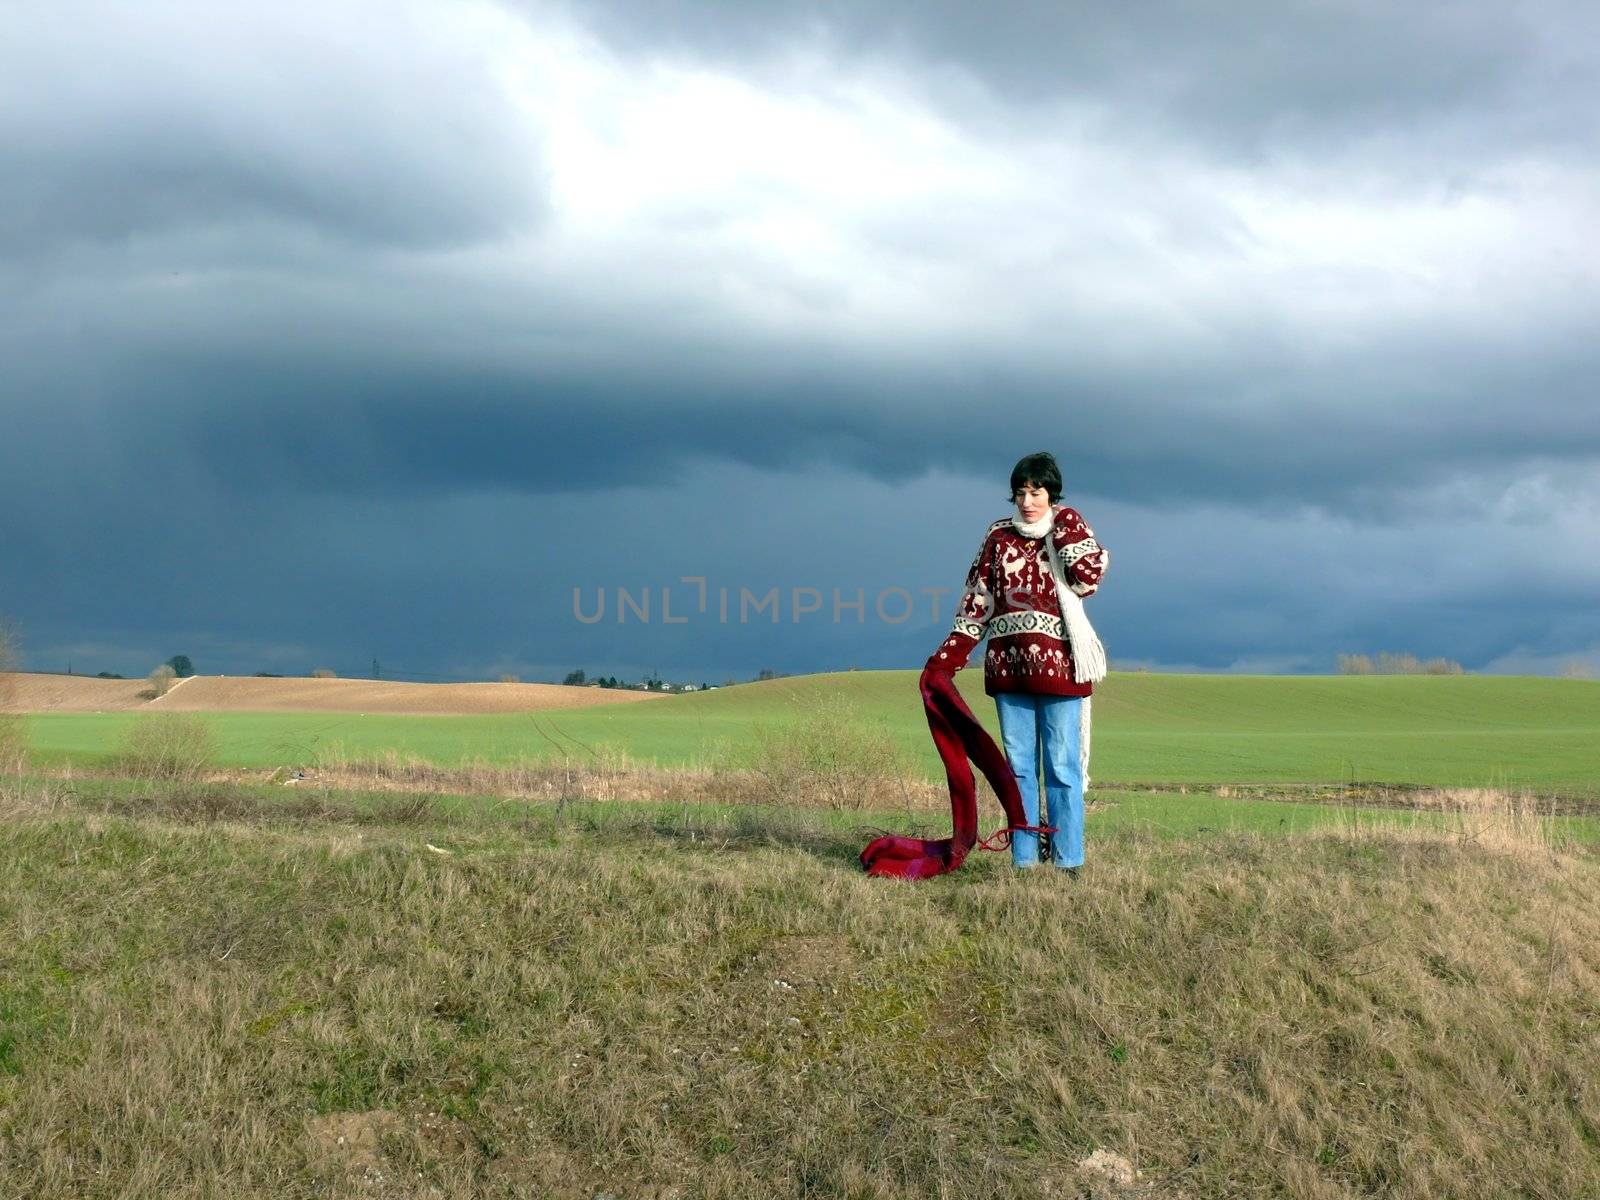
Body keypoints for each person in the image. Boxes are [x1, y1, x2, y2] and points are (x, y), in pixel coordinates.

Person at [923, 451, 1109, 873]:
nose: (1027, 501)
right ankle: (1024, 860)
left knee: (1062, 766)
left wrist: (1062, 525)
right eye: (1021, 493)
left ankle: (1068, 860)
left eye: (1036, 492)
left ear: (1052, 494)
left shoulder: (1067, 528)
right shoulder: (997, 536)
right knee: (1019, 769)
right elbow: (977, 601)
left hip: (1062, 669)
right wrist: (947, 660)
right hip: (1009, 669)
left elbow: (1089, 578)